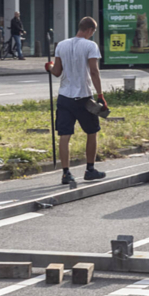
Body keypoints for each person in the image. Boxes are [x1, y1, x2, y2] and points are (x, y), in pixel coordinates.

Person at [45, 17, 106, 184]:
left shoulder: (61, 45)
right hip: (84, 97)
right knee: (92, 132)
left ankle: (66, 173)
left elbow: (57, 71)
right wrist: (100, 95)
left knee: (64, 135)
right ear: (89, 30)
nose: (92, 35)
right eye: (92, 32)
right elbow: (94, 71)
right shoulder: (90, 46)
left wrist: (48, 66)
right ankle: (90, 169)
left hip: (64, 97)